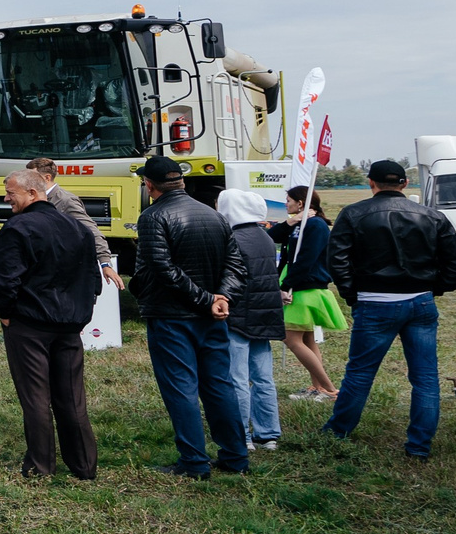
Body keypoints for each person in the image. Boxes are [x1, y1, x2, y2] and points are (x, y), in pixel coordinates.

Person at [324, 158, 456, 459]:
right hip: (421, 302)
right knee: (426, 376)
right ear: (404, 184)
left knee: (360, 373)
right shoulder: (432, 215)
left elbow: (336, 260)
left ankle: (338, 431)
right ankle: (419, 445)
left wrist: (353, 294)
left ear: (370, 183)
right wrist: (436, 288)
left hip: (375, 302)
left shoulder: (353, 213)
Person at [132, 154, 250, 477]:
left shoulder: (153, 217)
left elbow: (163, 269)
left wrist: (208, 299)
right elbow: (236, 264)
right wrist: (220, 298)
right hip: (211, 317)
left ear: (149, 184)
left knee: (181, 387)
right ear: (181, 181)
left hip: (172, 316)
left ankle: (195, 462)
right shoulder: (214, 215)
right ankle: (236, 457)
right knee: (219, 385)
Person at [0, 169, 101, 480]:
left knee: (35, 396)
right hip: (69, 324)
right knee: (71, 396)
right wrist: (81, 313)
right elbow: (93, 279)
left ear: (32, 193)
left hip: (30, 325)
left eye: (11, 192)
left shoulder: (18, 228)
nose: (6, 198)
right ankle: (84, 465)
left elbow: (4, 277)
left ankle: (40, 465)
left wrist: (5, 312)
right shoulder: (78, 228)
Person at [216, 190, 285, 450]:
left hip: (239, 315)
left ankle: (242, 433)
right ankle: (268, 434)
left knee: (237, 378)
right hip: (265, 314)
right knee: (263, 377)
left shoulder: (232, 239)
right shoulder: (264, 237)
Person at [271, 187, 341, 399]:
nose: (286, 204)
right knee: (308, 340)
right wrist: (293, 220)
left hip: (303, 288)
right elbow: (271, 237)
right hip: (296, 285)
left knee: (290, 339)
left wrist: (286, 286)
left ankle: (330, 389)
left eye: (289, 200)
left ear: (300, 202)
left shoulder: (316, 225)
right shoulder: (298, 223)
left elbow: (306, 260)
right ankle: (317, 387)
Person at [27, 156, 124, 289]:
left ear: (47, 178)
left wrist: (105, 262)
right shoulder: (32, 198)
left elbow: (91, 231)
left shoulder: (65, 201)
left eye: (31, 177)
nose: (26, 181)